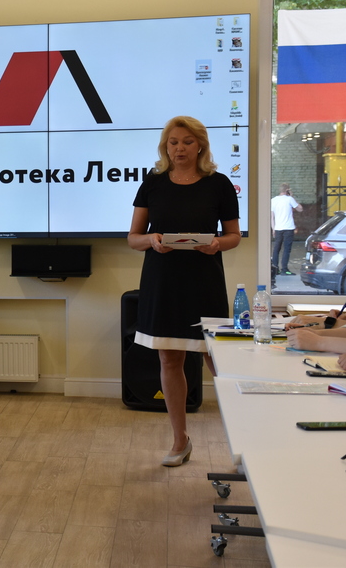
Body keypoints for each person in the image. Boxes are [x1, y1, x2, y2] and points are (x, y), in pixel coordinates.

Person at [128, 116, 240, 467]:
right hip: (163, 280)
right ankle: (180, 440)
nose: (179, 148)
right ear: (165, 146)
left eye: (187, 142)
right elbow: (133, 238)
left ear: (200, 145)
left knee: (218, 361)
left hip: (205, 281)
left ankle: (244, 442)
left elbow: (234, 236)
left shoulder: (219, 184)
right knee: (169, 358)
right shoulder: (153, 183)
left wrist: (217, 244)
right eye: (173, 142)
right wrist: (151, 240)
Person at [271, 183, 303, 276]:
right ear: (287, 190)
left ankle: (275, 268)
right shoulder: (289, 199)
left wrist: (273, 228)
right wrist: (292, 196)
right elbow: (300, 209)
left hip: (278, 228)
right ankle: (284, 269)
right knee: (286, 249)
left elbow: (271, 217)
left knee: (276, 249)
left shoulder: (273, 200)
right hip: (288, 228)